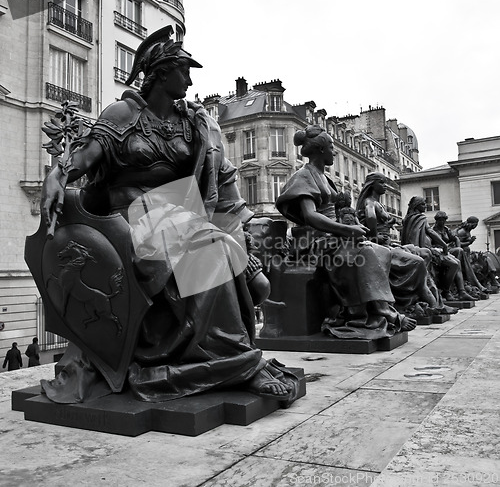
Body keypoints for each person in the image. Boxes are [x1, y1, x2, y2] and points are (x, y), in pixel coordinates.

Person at [40, 26, 298, 405]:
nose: (191, 80)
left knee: (245, 269)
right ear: (161, 72)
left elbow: (215, 176)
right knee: (211, 252)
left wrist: (231, 217)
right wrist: (57, 174)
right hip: (129, 216)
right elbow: (85, 157)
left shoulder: (188, 123)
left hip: (176, 214)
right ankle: (237, 362)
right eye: (184, 70)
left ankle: (219, 352)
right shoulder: (123, 114)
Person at [276, 125, 416, 340]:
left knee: (381, 251)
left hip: (331, 237)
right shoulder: (303, 176)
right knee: (363, 254)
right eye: (332, 148)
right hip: (314, 241)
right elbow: (311, 216)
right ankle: (381, 313)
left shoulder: (325, 177)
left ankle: (374, 310)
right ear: (321, 149)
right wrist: (347, 230)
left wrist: (348, 230)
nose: (334, 152)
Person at [356, 173, 443, 312]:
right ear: (372, 185)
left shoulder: (378, 203)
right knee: (419, 261)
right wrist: (376, 236)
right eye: (382, 183)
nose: (385, 186)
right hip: (380, 247)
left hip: (389, 245)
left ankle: (432, 300)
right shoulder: (370, 203)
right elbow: (370, 223)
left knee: (426, 253)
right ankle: (425, 300)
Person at [401, 197, 474, 301]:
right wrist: (444, 245)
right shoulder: (420, 218)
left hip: (417, 249)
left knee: (456, 260)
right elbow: (430, 232)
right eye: (423, 204)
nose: (425, 206)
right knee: (455, 264)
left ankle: (458, 291)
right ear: (417, 205)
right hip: (424, 251)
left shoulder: (409, 218)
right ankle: (446, 291)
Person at [433, 213, 485, 295]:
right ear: (436, 220)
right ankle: (470, 286)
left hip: (449, 250)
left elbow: (455, 238)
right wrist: (467, 243)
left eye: (444, 220)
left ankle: (467, 288)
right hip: (439, 251)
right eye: (440, 220)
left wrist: (459, 246)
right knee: (459, 255)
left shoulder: (446, 229)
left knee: (460, 252)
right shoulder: (433, 230)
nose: (442, 222)